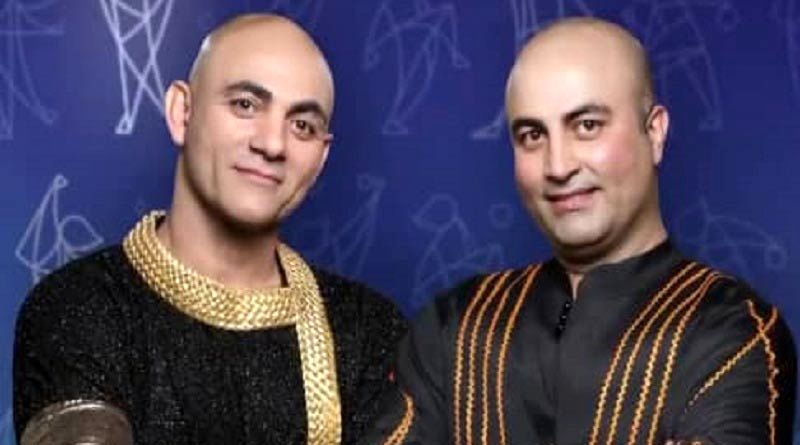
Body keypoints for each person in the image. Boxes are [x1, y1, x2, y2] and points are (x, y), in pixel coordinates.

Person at [361, 17, 796, 445]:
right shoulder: (456, 326)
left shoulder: (733, 330)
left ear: (655, 132)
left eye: (587, 126)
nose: (558, 166)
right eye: (532, 135)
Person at [14, 14, 405, 445]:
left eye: (302, 126)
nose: (272, 144)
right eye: (245, 105)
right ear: (182, 112)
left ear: (321, 158)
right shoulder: (79, 307)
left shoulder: (368, 328)